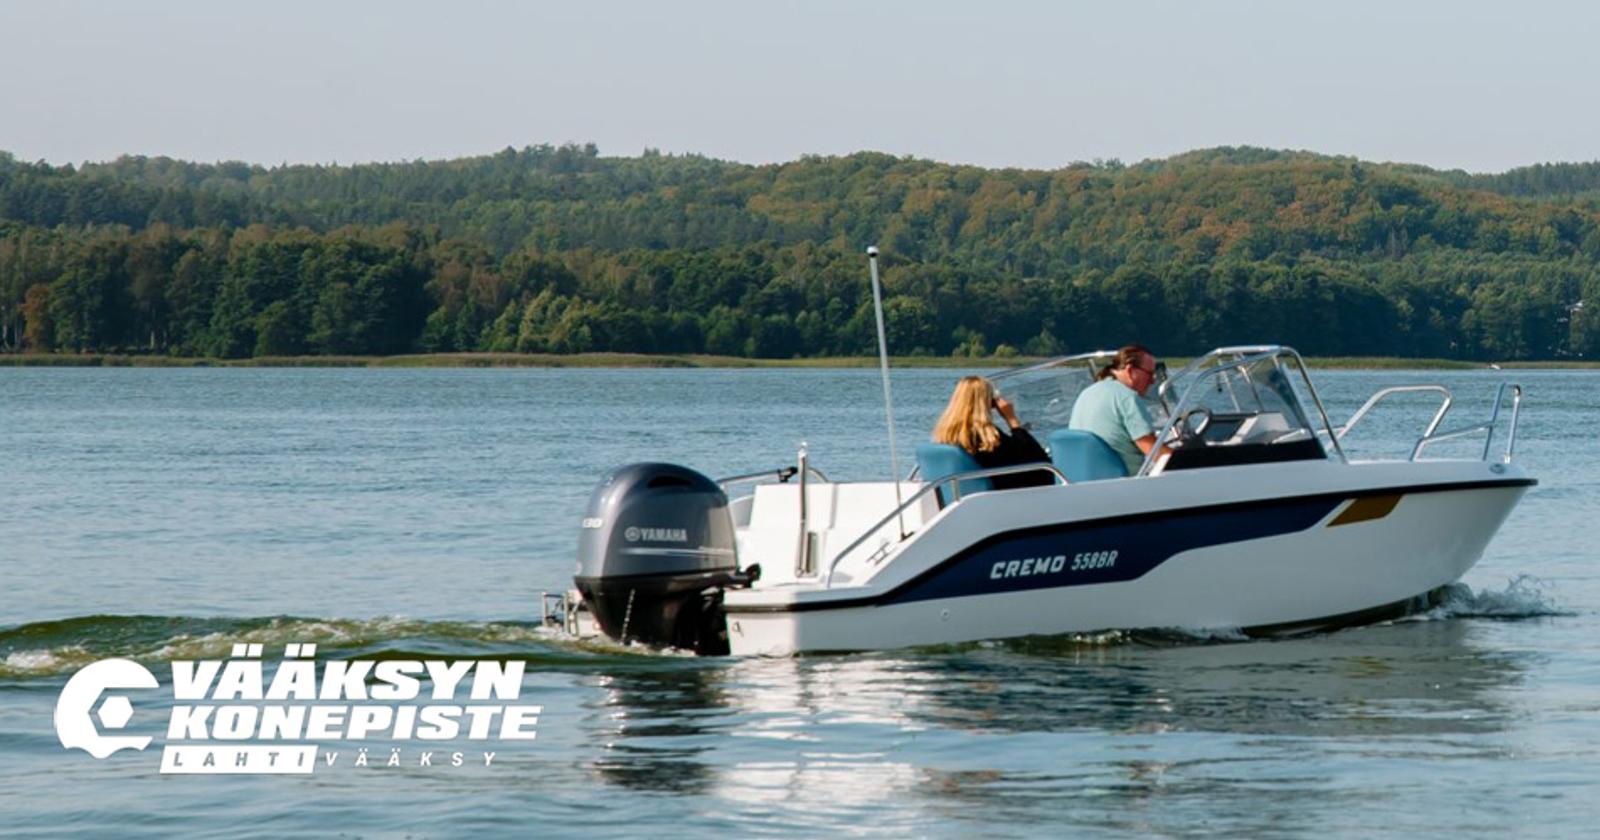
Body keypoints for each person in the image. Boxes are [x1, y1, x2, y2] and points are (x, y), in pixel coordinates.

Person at [932, 375, 1053, 490]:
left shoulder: (948, 433)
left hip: (969, 495)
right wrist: (1011, 419)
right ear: (987, 402)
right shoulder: (986, 437)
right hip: (1009, 493)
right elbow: (1038, 458)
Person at [1068, 344, 1168, 475]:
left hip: (1084, 480)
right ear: (1130, 370)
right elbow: (1155, 452)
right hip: (1126, 486)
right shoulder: (1128, 397)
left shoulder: (1086, 393)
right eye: (1149, 374)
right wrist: (1190, 461)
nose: (1152, 381)